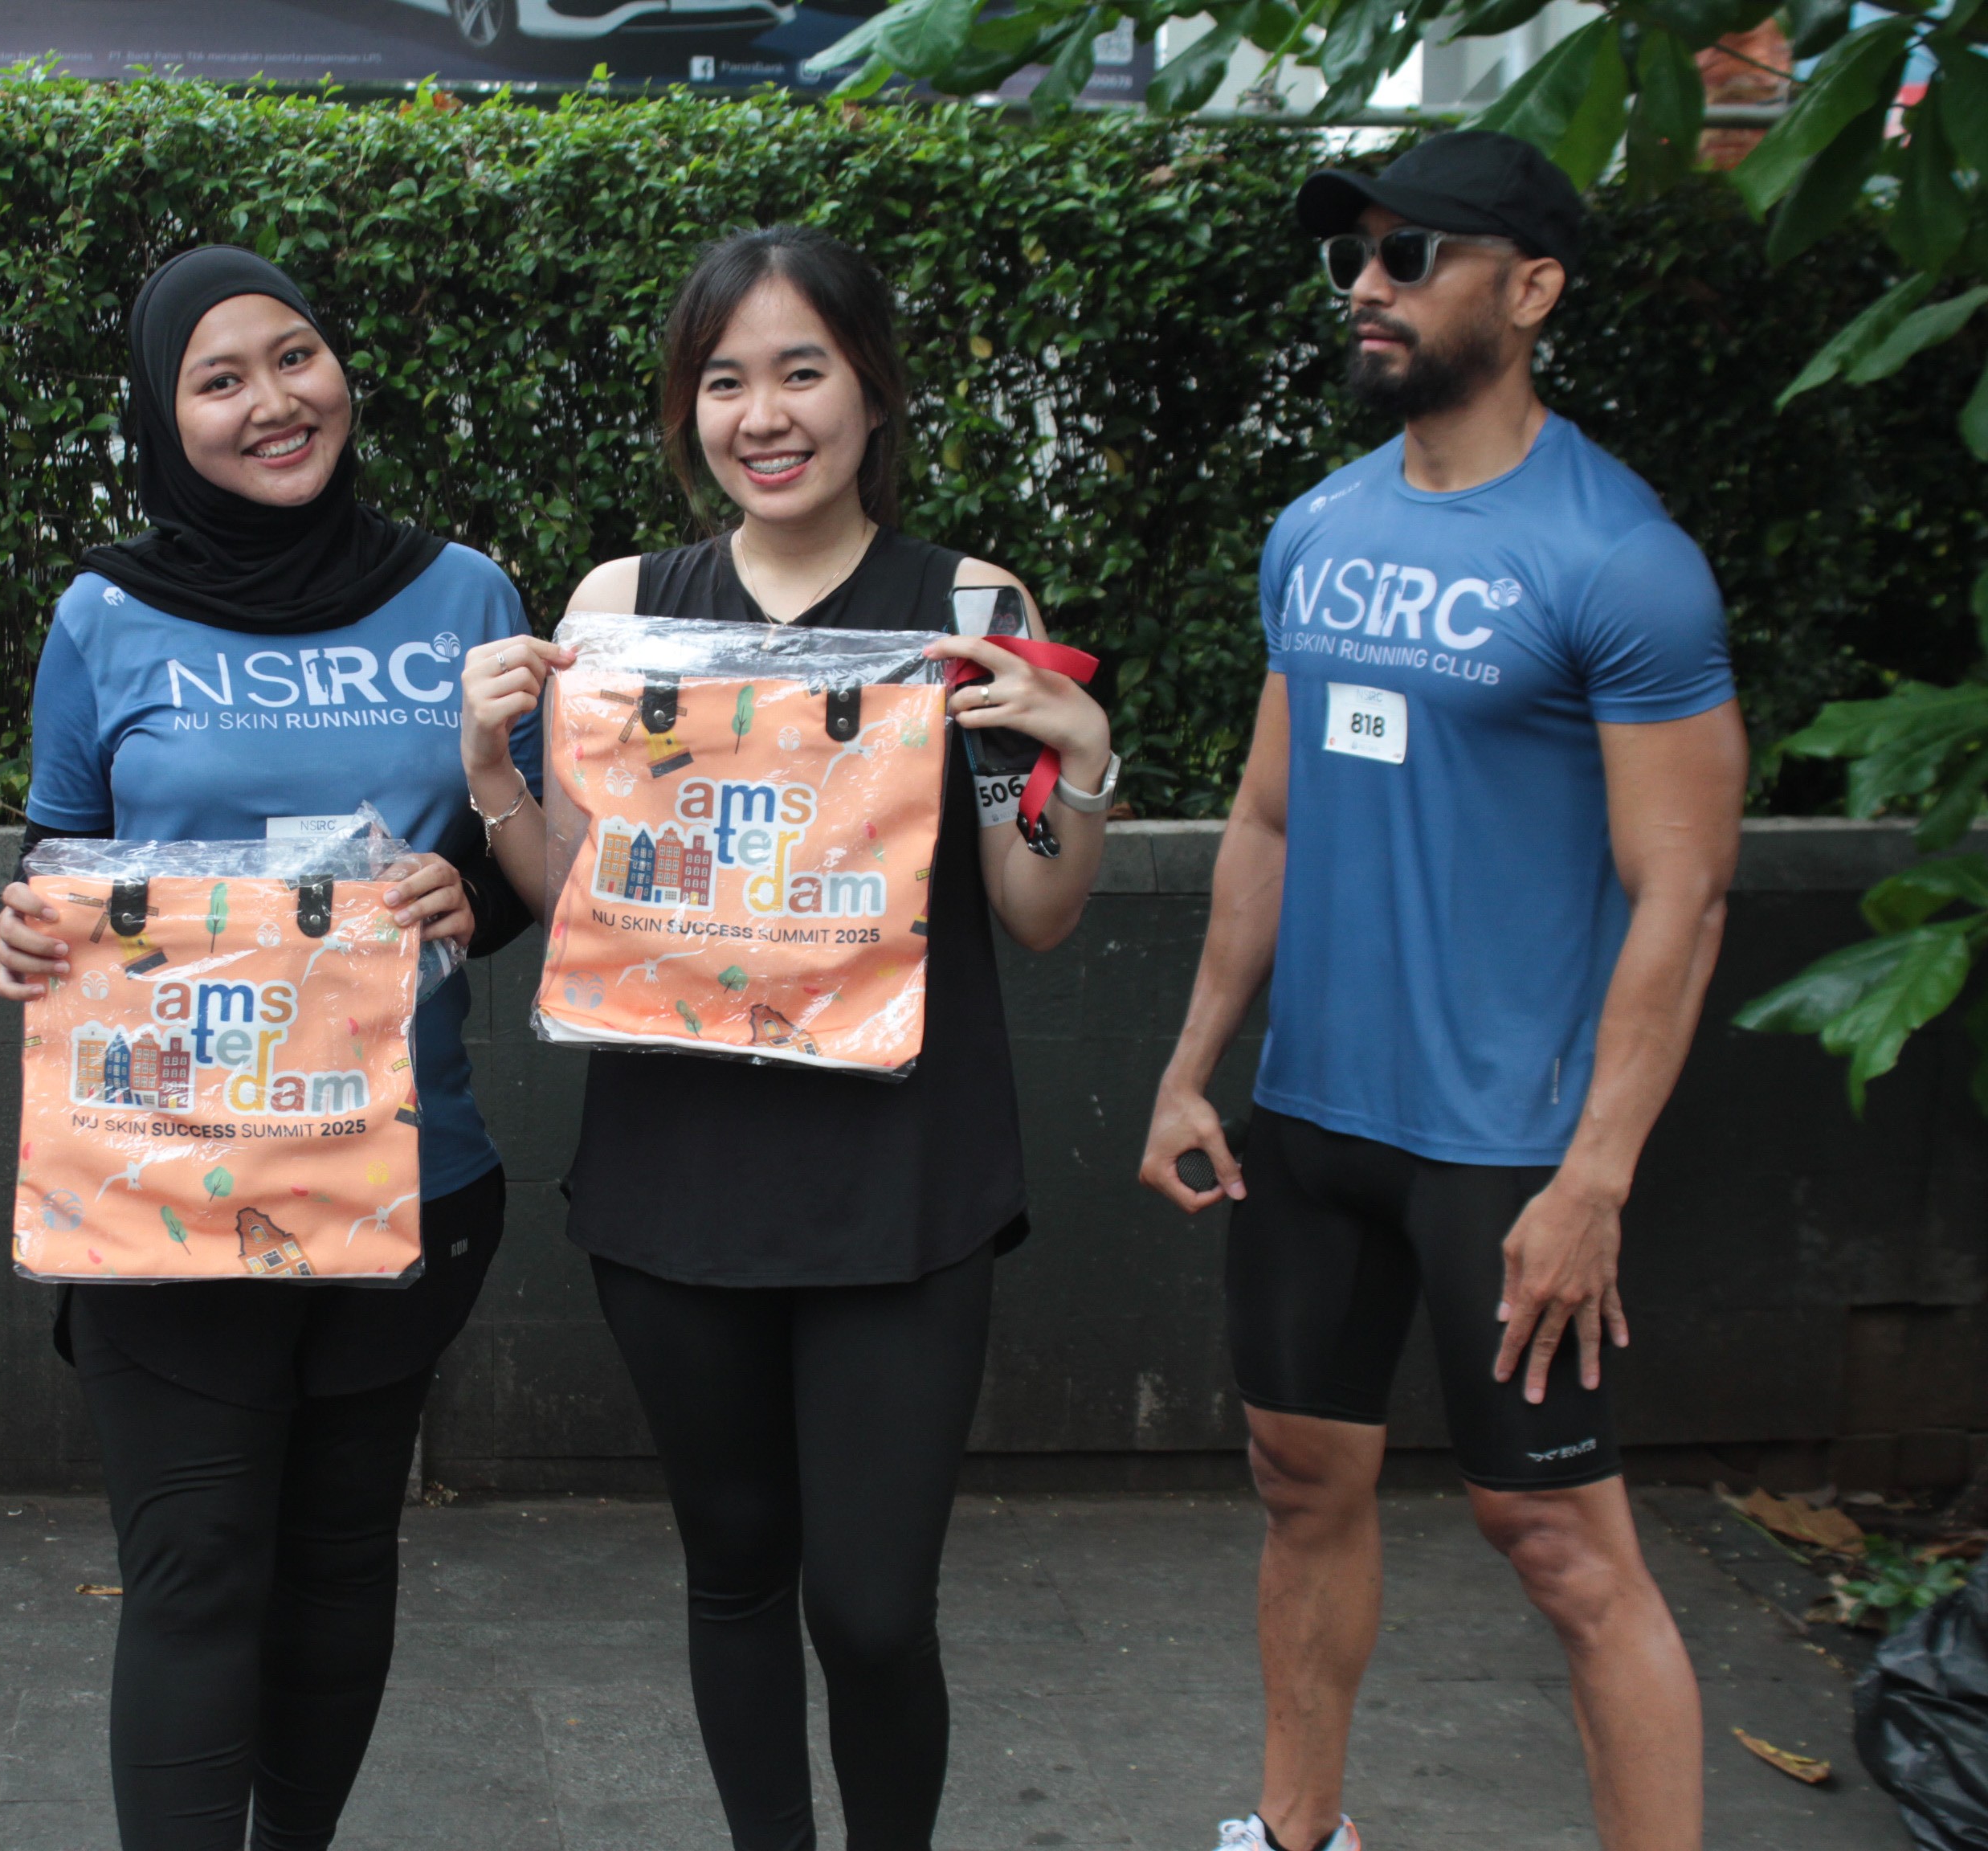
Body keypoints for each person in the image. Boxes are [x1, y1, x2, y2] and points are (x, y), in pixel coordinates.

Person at [459, 224, 1116, 1851]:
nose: (764, 415)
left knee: (875, 1607)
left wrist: (1083, 764)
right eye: (725, 380)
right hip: (677, 1175)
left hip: (902, 1182)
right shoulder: (622, 609)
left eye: (802, 371)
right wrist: (493, 781)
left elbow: (1035, 910)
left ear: (872, 393)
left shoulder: (967, 609)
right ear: (689, 409)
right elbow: (581, 906)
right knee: (736, 1569)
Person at [1135, 132, 1743, 1851]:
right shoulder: (1319, 529)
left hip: (1508, 1151)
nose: (1369, 286)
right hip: (1314, 1121)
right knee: (1298, 1481)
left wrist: (1596, 1178)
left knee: (1559, 1545)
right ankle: (1296, 1834)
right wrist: (1190, 1067)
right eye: (1356, 258)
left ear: (1532, 289)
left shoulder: (1620, 559)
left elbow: (1684, 894)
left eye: (1413, 256)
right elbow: (1268, 816)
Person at [0, 245, 537, 1851]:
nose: (272, 402)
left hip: (405, 1170)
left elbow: (534, 862)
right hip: (162, 1185)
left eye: (294, 357)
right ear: (165, 420)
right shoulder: (104, 614)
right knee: (194, 1568)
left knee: (339, 1563)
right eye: (218, 380)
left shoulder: (467, 596)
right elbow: (60, 859)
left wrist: (475, 894)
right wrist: (28, 930)